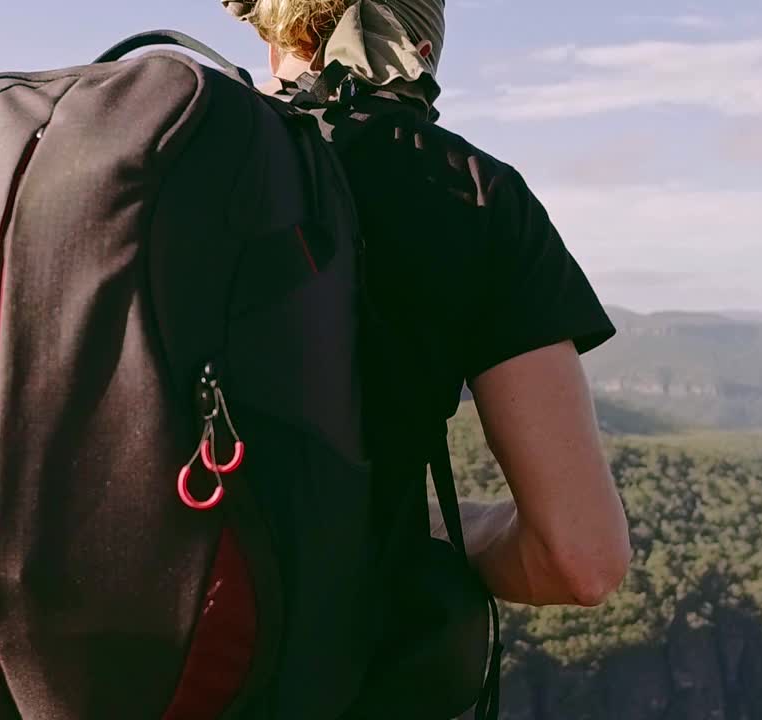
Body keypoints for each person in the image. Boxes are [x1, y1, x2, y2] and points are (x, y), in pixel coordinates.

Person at [223, 0, 633, 612]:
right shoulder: (471, 191)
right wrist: (433, 528)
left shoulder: (166, 156)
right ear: (421, 49)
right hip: (327, 676)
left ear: (265, 26)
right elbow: (580, 561)